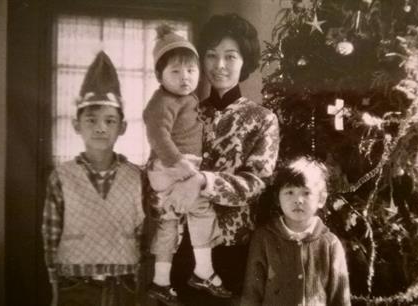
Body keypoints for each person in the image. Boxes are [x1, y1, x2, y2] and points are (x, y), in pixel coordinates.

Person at [157, 13, 280, 305]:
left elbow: (257, 182)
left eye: (230, 56)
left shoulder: (262, 119)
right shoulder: (188, 113)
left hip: (233, 247)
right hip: (183, 244)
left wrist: (203, 181)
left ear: (244, 61)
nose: (219, 65)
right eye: (211, 55)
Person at [41, 51, 145, 306]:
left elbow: (143, 233)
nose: (100, 127)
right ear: (77, 125)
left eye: (110, 120)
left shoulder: (137, 177)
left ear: (122, 127)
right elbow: (50, 234)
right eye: (91, 119)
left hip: (124, 285)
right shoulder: (62, 177)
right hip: (76, 285)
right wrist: (55, 285)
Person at [143, 24, 231, 305]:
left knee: (169, 221)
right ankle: (203, 271)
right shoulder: (162, 101)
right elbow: (157, 133)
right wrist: (179, 164)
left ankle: (160, 281)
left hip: (171, 169)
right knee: (202, 209)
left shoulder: (186, 98)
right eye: (176, 72)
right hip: (170, 167)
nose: (185, 78)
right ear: (160, 76)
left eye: (191, 71)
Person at [241, 157, 351, 306]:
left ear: (321, 199)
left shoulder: (330, 243)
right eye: (290, 192)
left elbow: (340, 298)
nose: (298, 199)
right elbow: (252, 292)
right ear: (277, 197)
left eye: (306, 193)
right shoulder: (264, 238)